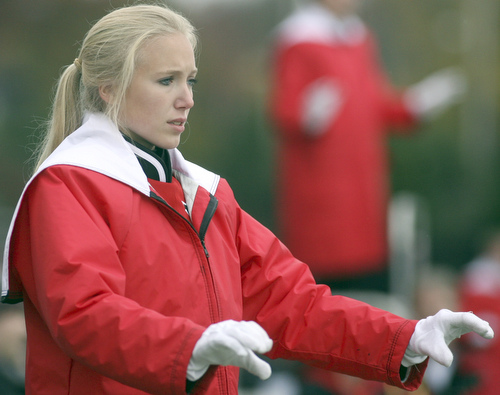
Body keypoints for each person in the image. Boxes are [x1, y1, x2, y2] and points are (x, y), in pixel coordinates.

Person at [0, 3, 492, 394]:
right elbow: (86, 315)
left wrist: (402, 339)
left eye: (189, 79)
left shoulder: (208, 194)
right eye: (166, 80)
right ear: (108, 88)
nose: (187, 98)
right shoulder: (67, 186)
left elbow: (293, 304)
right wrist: (188, 347)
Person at [269, 0, 465, 292]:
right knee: (326, 296)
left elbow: (374, 104)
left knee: (370, 292)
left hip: (365, 197)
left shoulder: (358, 39)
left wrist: (413, 106)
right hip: (323, 201)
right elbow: (283, 111)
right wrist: (305, 115)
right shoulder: (297, 40)